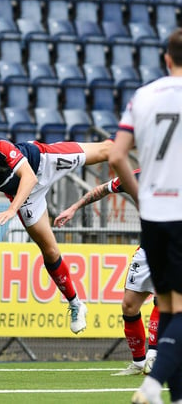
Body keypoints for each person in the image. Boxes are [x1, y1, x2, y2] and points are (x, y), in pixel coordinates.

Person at [0, 126, 114, 334]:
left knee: (107, 151)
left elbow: (29, 177)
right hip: (28, 197)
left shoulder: (2, 147)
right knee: (50, 251)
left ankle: (138, 133)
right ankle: (76, 303)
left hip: (46, 162)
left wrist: (12, 209)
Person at [110, 28, 182, 404]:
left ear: (167, 59)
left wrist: (142, 198)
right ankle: (152, 386)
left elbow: (117, 155)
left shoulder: (144, 95)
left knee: (169, 305)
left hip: (154, 216)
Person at [54, 170, 159, 376]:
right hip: (147, 251)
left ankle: (155, 355)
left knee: (164, 300)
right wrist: (74, 207)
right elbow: (102, 189)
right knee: (129, 307)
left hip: (175, 249)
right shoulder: (136, 177)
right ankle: (139, 361)